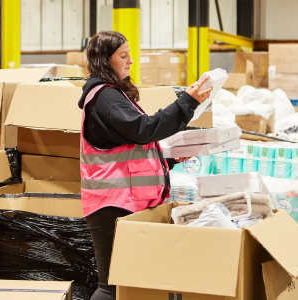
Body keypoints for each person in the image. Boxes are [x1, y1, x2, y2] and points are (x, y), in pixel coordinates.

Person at [78, 30, 212, 300]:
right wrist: (186, 102)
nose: (130, 62)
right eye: (123, 56)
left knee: (128, 281)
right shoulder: (104, 97)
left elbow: (132, 147)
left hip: (125, 202)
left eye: (130, 56)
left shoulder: (114, 95)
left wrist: (170, 159)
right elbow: (144, 129)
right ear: (105, 60)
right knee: (111, 286)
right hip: (111, 206)